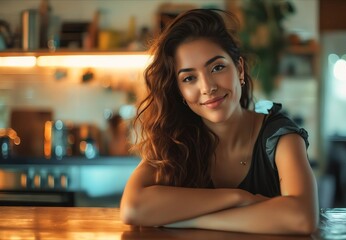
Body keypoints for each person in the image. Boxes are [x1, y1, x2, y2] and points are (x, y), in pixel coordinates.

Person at [120, 9, 319, 235]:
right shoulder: (176, 140)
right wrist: (239, 197)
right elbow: (132, 208)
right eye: (189, 78)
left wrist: (189, 220)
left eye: (217, 67)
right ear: (180, 91)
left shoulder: (280, 137)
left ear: (240, 69)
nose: (207, 87)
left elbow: (302, 218)